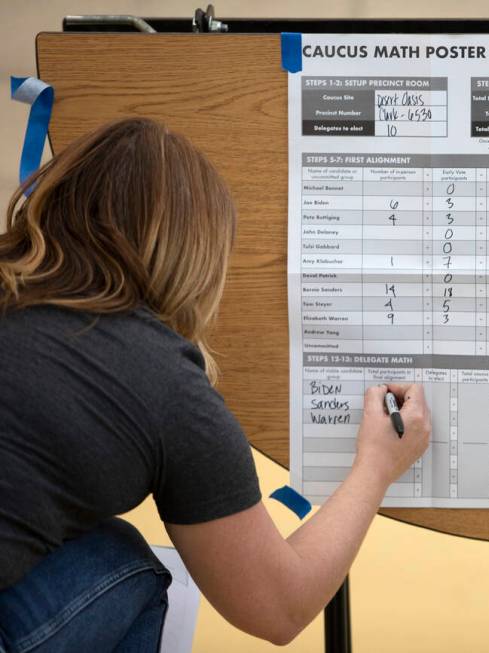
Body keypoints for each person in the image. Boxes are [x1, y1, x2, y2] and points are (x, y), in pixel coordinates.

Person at [0, 117, 431, 651]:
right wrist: (377, 465)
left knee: (95, 541)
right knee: (127, 565)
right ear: (194, 250)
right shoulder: (159, 377)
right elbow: (278, 606)